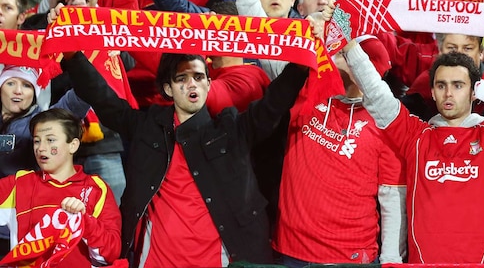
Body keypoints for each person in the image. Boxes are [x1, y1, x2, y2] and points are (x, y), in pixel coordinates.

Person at [313, 1, 484, 263]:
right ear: (432, 92)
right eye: (441, 85)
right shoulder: (414, 136)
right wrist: (348, 45)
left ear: (474, 91)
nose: (449, 93)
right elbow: (375, 91)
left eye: (458, 85)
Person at [59, 46, 310, 266]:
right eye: (182, 78)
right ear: (168, 88)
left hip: (222, 260)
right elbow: (104, 100)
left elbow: (273, 104)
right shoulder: (146, 127)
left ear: (209, 85)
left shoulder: (232, 129)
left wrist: (300, 62)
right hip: (155, 260)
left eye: (199, 77)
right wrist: (71, 54)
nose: (192, 84)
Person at [273, 36, 406, 266]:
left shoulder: (388, 122)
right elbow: (268, 48)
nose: (332, 59)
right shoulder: (304, 89)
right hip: (291, 251)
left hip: (350, 257)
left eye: (342, 55)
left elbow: (392, 197)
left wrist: (391, 260)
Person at [0, 108, 121, 268]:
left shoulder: (96, 189)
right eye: (37, 140)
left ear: (73, 145)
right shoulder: (19, 184)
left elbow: (110, 254)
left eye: (50, 140)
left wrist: (85, 222)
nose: (41, 148)